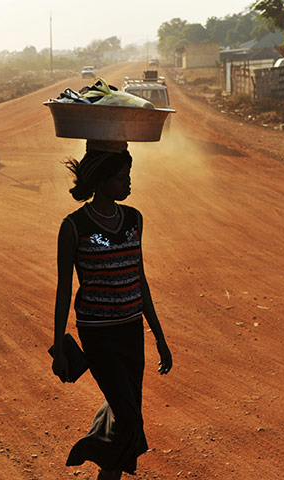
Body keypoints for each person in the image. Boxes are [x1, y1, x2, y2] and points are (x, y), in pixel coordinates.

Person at [52, 140, 172, 480]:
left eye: (128, 175)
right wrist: (59, 343)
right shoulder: (73, 227)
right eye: (121, 177)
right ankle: (90, 447)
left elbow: (140, 278)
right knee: (129, 417)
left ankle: (106, 467)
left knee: (127, 413)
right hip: (98, 334)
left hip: (132, 330)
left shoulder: (134, 219)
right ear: (101, 180)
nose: (128, 183)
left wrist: (159, 337)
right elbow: (64, 289)